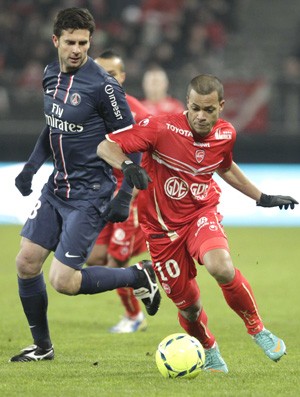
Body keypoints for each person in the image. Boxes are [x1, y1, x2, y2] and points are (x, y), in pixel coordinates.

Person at [98, 74, 298, 373]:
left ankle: (258, 330)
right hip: (161, 230)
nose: (201, 116)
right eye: (195, 108)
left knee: (221, 266)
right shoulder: (160, 127)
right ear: (187, 104)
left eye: (209, 110)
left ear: (221, 106)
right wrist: (127, 166)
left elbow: (225, 166)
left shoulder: (226, 133)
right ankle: (208, 347)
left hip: (200, 213)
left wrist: (261, 196)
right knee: (189, 307)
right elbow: (106, 147)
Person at [10, 7, 161, 363]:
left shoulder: (103, 86)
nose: (77, 49)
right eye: (70, 42)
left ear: (90, 42)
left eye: (83, 42)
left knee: (64, 281)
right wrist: (31, 168)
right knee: (26, 263)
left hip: (90, 194)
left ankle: (138, 275)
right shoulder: (50, 75)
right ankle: (43, 347)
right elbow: (53, 127)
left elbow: (131, 140)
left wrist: (125, 195)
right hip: (56, 187)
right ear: (56, 42)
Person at [86, 49, 150, 333]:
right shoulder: (88, 109)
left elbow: (155, 148)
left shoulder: (137, 111)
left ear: (122, 77)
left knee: (115, 262)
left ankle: (134, 317)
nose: (105, 80)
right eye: (100, 74)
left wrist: (134, 190)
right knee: (94, 258)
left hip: (130, 195)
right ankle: (153, 263)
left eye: (111, 75)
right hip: (100, 195)